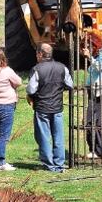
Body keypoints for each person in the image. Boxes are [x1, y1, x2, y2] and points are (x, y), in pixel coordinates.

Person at [27, 43, 74, 173]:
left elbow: (31, 89)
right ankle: (59, 164)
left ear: (41, 54)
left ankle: (49, 164)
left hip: (42, 108)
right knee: (58, 137)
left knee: (44, 137)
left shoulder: (37, 69)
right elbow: (70, 84)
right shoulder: (62, 67)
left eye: (37, 53)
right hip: (57, 108)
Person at [84, 33, 102, 160]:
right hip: (93, 91)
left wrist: (90, 58)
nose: (87, 48)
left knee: (95, 122)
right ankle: (94, 149)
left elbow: (99, 68)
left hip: (99, 92)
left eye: (89, 45)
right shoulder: (96, 55)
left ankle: (100, 151)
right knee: (89, 122)